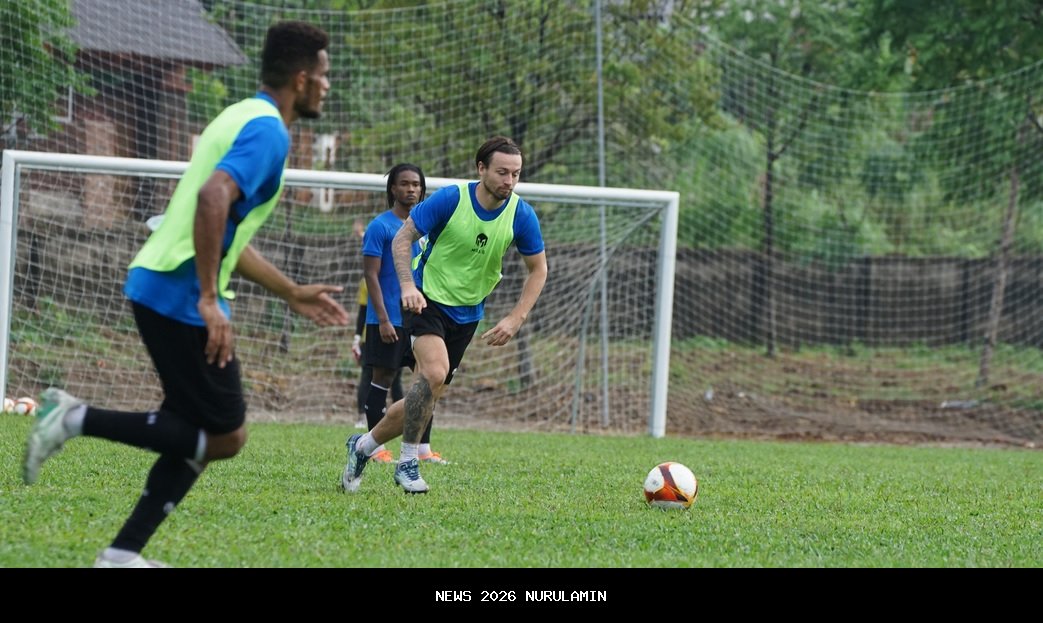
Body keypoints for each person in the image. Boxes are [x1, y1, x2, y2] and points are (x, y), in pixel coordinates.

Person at [21, 21, 346, 568]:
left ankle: (122, 555)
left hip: (160, 282)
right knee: (227, 435)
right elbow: (211, 198)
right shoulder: (269, 132)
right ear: (301, 77)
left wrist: (289, 291)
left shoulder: (242, 114)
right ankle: (71, 418)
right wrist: (207, 298)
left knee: (197, 433)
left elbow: (225, 230)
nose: (327, 86)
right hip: (176, 290)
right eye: (324, 74)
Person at [341, 136, 547, 494]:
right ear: (481, 168)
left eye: (515, 174)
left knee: (426, 393)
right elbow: (402, 239)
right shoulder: (451, 199)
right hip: (427, 300)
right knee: (433, 374)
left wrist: (516, 318)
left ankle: (363, 447)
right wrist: (407, 286)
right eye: (501, 172)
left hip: (467, 314)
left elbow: (538, 269)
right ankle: (407, 464)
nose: (509, 181)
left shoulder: (521, 214)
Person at [349, 163, 446, 470]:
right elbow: (371, 276)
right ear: (392, 189)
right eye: (404, 184)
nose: (411, 190)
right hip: (387, 319)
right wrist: (383, 319)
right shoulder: (381, 227)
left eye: (416, 184)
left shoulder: (426, 229)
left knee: (427, 380)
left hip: (419, 319)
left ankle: (422, 448)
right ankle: (373, 447)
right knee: (383, 380)